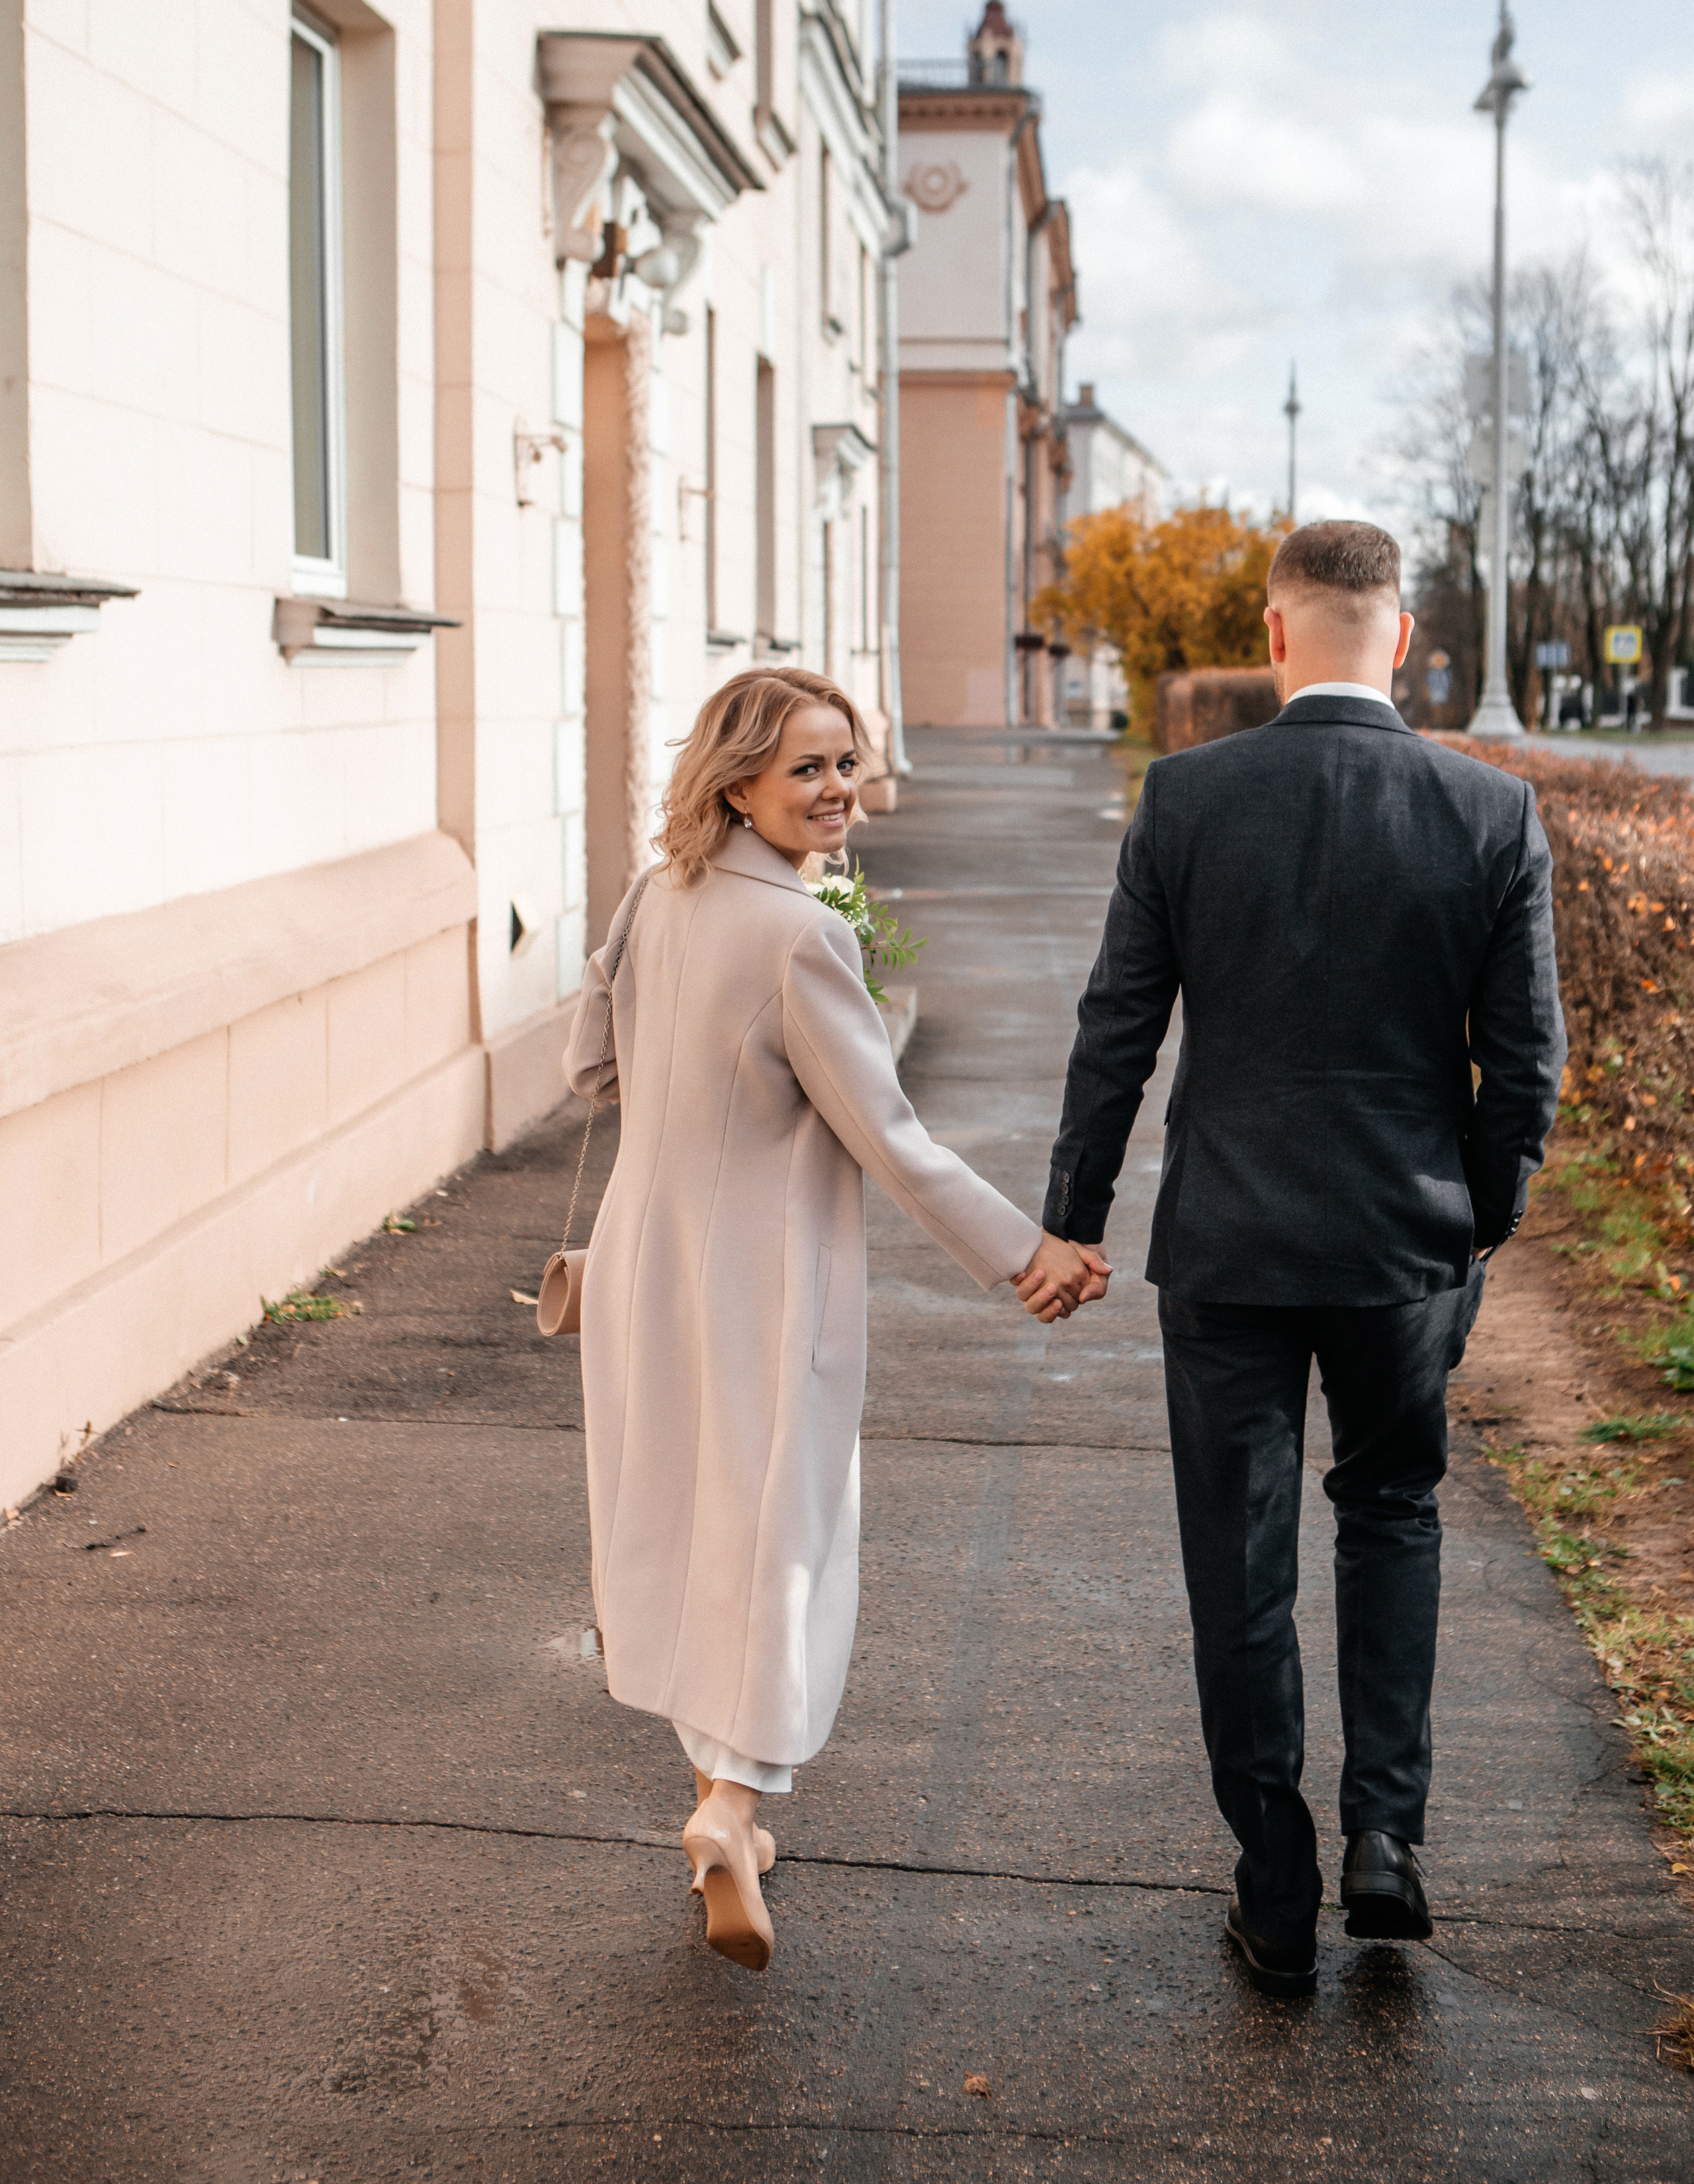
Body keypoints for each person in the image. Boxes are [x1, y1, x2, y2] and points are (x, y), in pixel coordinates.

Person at [1042, 520, 1564, 1998]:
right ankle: (1384, 1843)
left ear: (1273, 637)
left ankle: (1272, 1886)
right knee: (1392, 1515)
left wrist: (1076, 1211)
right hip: (1404, 1246)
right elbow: (1524, 1069)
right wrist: (1475, 1229)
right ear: (1396, 637)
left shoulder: (1188, 797)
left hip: (1226, 1238)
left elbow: (1116, 1026)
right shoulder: (1486, 812)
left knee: (1239, 1558)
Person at [564, 666, 1092, 1972]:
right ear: (737, 778)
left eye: (846, 764)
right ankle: (730, 1808)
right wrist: (1023, 1255)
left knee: (686, 1515)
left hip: (644, 1257)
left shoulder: (656, 894)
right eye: (808, 768)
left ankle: (716, 1793)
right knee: (777, 1531)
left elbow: (590, 1067)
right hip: (758, 1274)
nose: (838, 791)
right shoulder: (801, 932)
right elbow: (890, 1139)